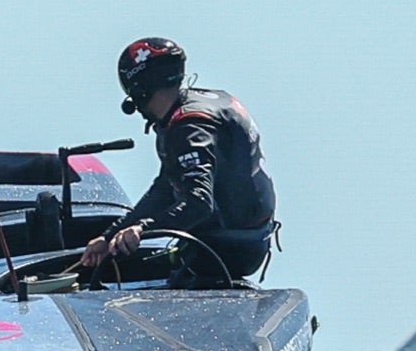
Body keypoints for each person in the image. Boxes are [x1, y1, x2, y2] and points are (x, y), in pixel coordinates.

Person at [79, 37, 279, 287]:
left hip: (228, 251)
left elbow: (198, 202)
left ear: (141, 91)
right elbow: (166, 187)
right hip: (252, 238)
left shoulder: (189, 127)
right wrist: (108, 236)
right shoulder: (206, 102)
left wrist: (141, 229)